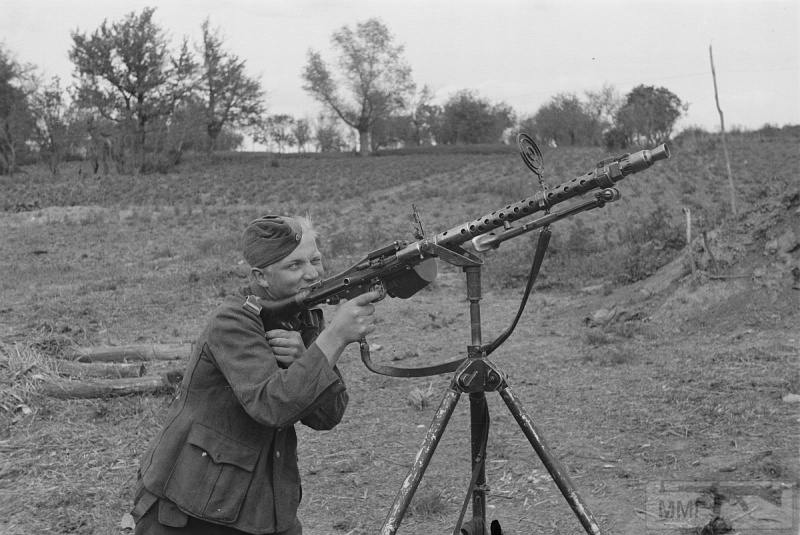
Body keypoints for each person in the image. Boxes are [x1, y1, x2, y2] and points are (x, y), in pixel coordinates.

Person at [132, 215, 379, 535]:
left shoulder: (299, 316)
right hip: (190, 506)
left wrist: (306, 358)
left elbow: (328, 415)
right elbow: (272, 405)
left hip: (259, 502)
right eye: (294, 265)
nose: (312, 273)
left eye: (315, 260)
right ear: (260, 276)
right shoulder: (233, 320)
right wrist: (333, 338)